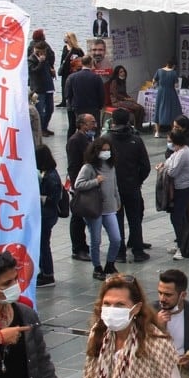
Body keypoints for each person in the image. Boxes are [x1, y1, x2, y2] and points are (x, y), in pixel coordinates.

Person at [106, 108, 151, 264]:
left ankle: (120, 253)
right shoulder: (136, 140)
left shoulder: (106, 140)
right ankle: (138, 251)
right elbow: (145, 166)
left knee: (117, 220)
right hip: (132, 186)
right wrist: (137, 180)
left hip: (114, 188)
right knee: (135, 219)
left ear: (113, 121)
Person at [74, 135, 122, 280]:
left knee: (116, 238)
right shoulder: (88, 167)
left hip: (109, 207)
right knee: (96, 240)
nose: (106, 153)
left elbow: (114, 185)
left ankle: (110, 264)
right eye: (103, 150)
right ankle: (97, 267)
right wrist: (95, 181)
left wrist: (117, 199)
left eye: (108, 150)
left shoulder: (111, 166)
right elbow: (78, 184)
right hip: (94, 209)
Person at [159, 128, 189, 261]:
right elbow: (168, 163)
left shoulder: (183, 153)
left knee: (177, 218)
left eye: (170, 140)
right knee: (180, 217)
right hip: (178, 188)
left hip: (183, 188)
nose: (168, 143)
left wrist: (164, 169)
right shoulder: (177, 151)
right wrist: (164, 166)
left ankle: (182, 246)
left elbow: (172, 172)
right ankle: (183, 243)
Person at [67, 113, 97, 261]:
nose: (94, 125)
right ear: (82, 125)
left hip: (88, 182)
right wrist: (76, 185)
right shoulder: (75, 141)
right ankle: (78, 248)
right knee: (78, 218)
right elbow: (73, 166)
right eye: (91, 122)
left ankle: (83, 246)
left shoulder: (88, 138)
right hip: (79, 184)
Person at [36, 145, 63, 288]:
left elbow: (53, 198)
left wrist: (38, 197)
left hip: (47, 215)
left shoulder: (51, 177)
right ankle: (44, 271)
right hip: (46, 214)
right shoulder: (47, 173)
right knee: (43, 244)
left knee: (44, 245)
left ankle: (47, 274)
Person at [27, 42, 57, 137]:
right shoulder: (31, 59)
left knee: (50, 109)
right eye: (40, 51)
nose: (42, 53)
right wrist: (40, 62)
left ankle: (44, 127)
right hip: (38, 89)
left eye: (43, 52)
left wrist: (52, 72)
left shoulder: (46, 58)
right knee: (40, 111)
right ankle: (40, 129)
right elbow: (33, 71)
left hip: (48, 87)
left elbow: (47, 69)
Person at [65, 55, 105, 122]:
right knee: (93, 125)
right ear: (91, 63)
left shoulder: (72, 77)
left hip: (78, 107)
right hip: (93, 107)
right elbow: (101, 94)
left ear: (82, 63)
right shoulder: (96, 77)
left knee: (81, 125)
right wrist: (100, 106)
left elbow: (68, 94)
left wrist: (72, 105)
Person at [106, 65, 146, 130]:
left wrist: (131, 99)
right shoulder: (114, 81)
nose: (123, 73)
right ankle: (137, 127)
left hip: (123, 100)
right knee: (137, 108)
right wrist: (126, 99)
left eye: (123, 71)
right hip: (116, 101)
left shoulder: (122, 81)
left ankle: (139, 126)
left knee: (141, 108)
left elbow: (124, 93)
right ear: (117, 73)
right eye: (121, 72)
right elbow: (115, 94)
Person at [57, 31, 84, 107]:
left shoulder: (77, 50)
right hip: (65, 70)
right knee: (64, 85)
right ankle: (63, 101)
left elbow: (82, 60)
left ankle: (72, 100)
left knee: (72, 86)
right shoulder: (65, 48)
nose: (65, 38)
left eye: (66, 37)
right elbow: (62, 59)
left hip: (73, 71)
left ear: (70, 38)